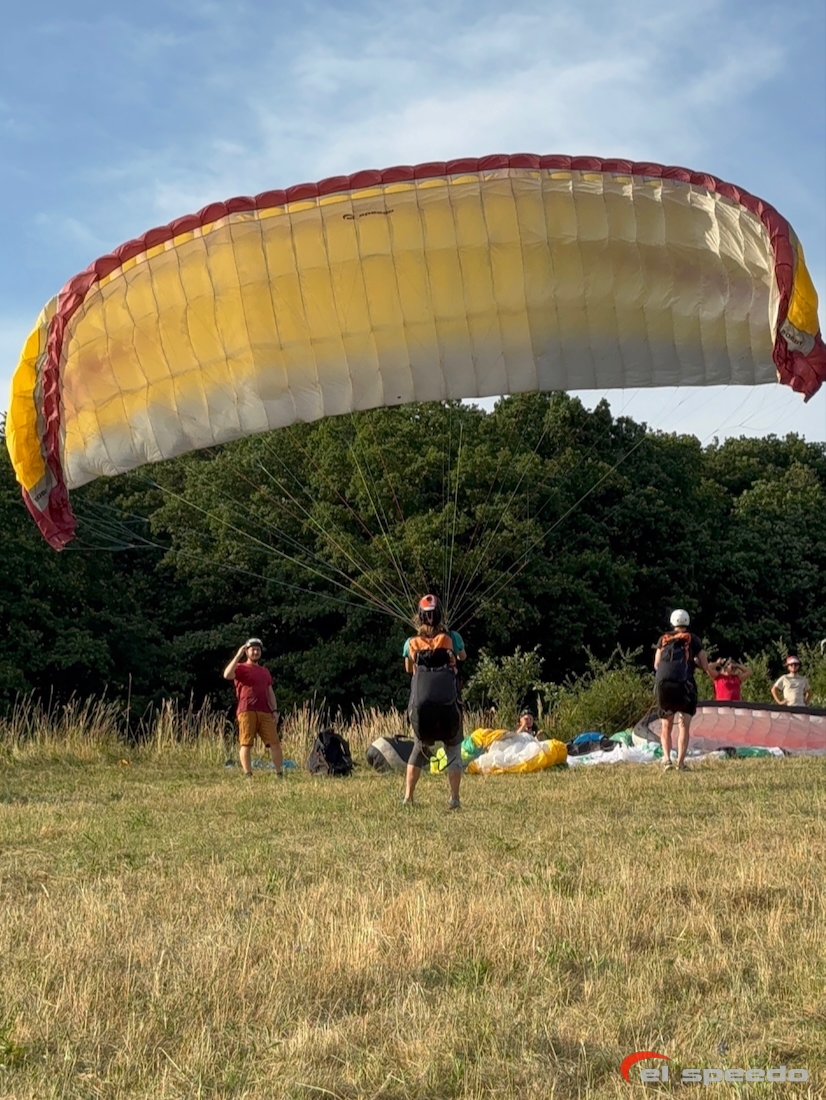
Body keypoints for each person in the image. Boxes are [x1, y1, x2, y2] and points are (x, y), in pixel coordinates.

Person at [403, 595, 463, 809]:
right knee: (454, 750)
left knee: (418, 750)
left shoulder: (411, 643)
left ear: (419, 617)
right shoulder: (451, 638)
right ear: (440, 615)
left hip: (422, 707)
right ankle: (454, 798)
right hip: (448, 705)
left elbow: (409, 670)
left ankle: (408, 798)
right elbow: (462, 656)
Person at [654, 609, 716, 771]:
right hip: (685, 686)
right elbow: (705, 666)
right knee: (684, 726)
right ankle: (681, 763)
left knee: (666, 726)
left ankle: (667, 759)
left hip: (664, 687)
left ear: (673, 622)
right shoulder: (693, 640)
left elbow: (656, 664)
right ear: (687, 622)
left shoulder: (664, 639)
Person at [223, 638, 282, 777]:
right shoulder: (241, 667)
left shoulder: (265, 671)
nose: (255, 652)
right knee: (246, 743)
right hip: (247, 710)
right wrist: (237, 656)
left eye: (258, 650)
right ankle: (248, 774)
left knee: (275, 743)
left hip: (265, 711)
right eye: (252, 649)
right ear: (247, 651)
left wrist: (274, 710)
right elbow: (227, 675)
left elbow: (270, 692)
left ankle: (280, 773)